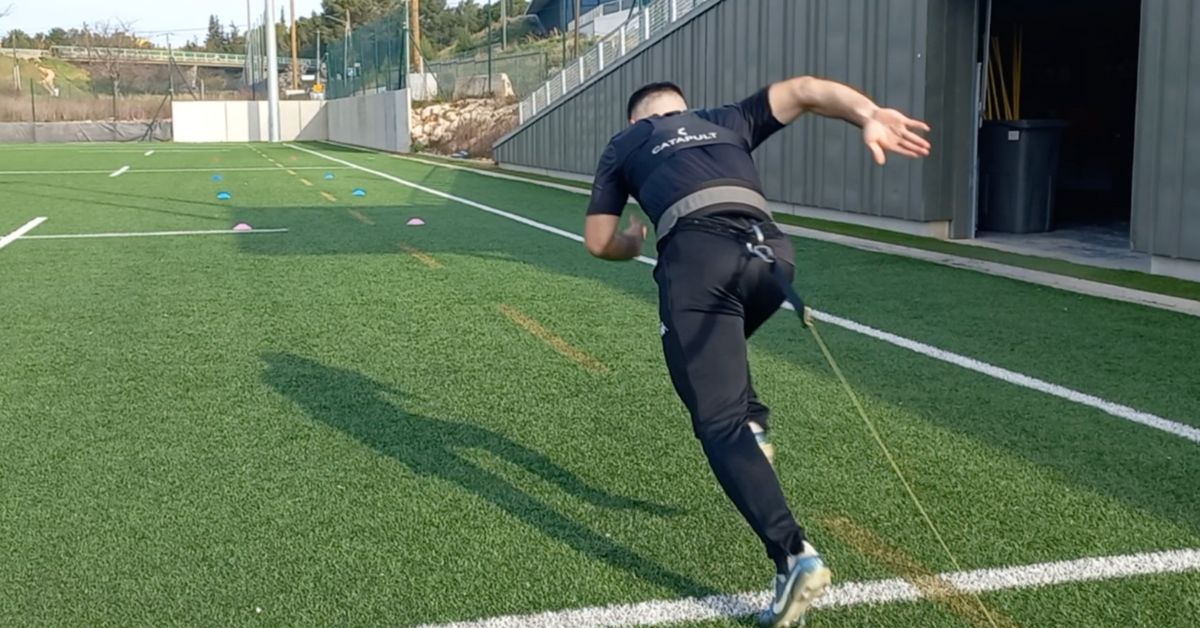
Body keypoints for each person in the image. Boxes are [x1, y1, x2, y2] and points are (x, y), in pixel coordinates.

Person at [582, 77, 931, 627]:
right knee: (717, 362)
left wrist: (632, 242)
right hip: (772, 259)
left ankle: (793, 555)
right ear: (685, 109)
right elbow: (809, 89)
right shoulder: (724, 119)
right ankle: (754, 419)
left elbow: (600, 240)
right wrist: (868, 114)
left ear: (636, 121)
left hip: (698, 260)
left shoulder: (626, 143)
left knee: (713, 414)